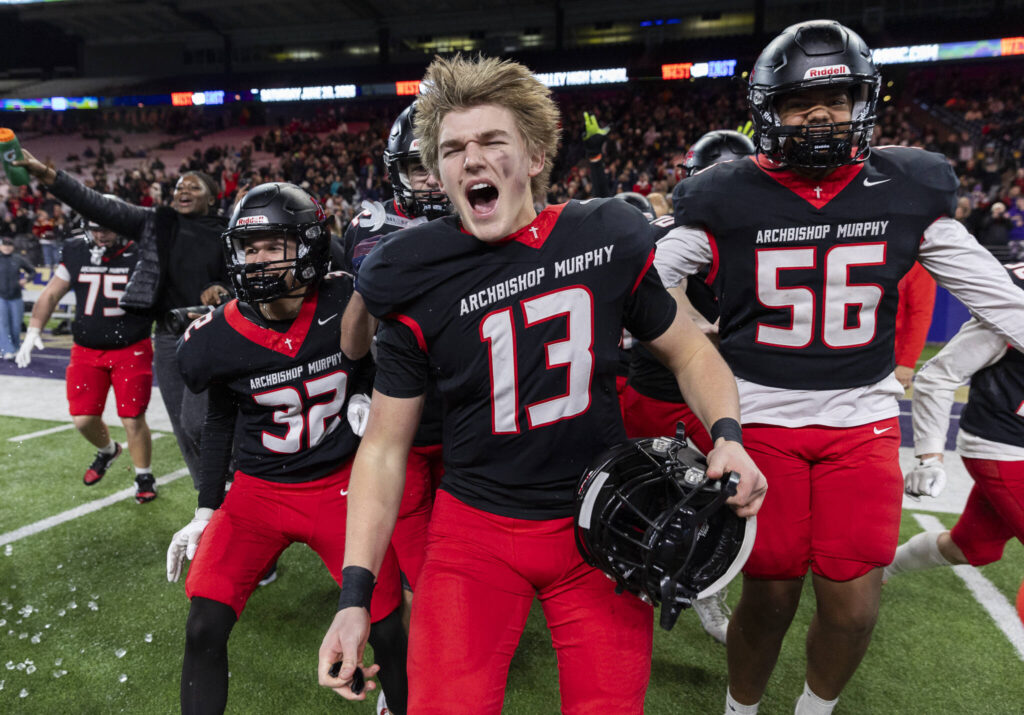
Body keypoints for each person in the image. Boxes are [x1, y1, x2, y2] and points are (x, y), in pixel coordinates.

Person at [317, 53, 767, 714]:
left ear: (533, 156)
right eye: (452, 149)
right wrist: (355, 597)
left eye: (491, 141)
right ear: (438, 173)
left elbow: (689, 352)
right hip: (475, 531)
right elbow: (384, 446)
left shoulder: (605, 234)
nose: (470, 158)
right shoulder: (409, 272)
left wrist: (728, 435)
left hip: (603, 524)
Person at [653, 19, 1024, 715]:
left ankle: (813, 709)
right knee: (768, 593)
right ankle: (742, 707)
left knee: (854, 604)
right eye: (799, 102)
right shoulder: (724, 194)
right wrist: (689, 327)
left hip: (863, 419)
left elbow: (1005, 304)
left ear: (865, 102)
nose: (821, 115)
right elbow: (642, 290)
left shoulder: (907, 186)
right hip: (757, 415)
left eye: (839, 98)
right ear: (769, 110)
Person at [168, 182, 407, 715]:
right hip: (259, 493)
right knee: (204, 620)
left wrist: (366, 395)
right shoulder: (218, 334)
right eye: (248, 248)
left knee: (388, 623)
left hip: (343, 487)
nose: (256, 260)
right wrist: (207, 506)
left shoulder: (347, 297)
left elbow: (373, 363)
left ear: (309, 244)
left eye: (272, 246)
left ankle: (400, 696)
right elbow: (220, 419)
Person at [14, 151, 229, 488]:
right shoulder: (158, 223)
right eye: (178, 187)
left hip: (212, 334)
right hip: (169, 337)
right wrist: (46, 174)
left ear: (213, 197)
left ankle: (231, 477)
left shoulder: (228, 234)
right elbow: (97, 205)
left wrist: (221, 289)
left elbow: (241, 280)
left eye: (194, 187)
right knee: (181, 429)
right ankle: (208, 501)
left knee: (197, 423)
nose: (183, 191)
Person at [622, 128, 756, 645]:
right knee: (653, 499)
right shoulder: (667, 236)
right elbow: (659, 313)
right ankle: (640, 577)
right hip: (660, 391)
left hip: (731, 391)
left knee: (727, 498)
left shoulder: (764, 230)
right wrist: (716, 327)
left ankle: (707, 582)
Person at [337, 101, 451, 636]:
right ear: (395, 170)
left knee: (470, 556)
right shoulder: (370, 226)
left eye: (437, 160)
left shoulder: (490, 217)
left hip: (476, 416)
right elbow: (351, 342)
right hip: (397, 416)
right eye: (415, 166)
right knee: (418, 567)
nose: (429, 179)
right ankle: (417, 670)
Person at [884, 262, 1024, 584]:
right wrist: (930, 456)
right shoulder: (1013, 299)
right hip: (1006, 445)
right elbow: (938, 377)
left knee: (973, 547)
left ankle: (879, 570)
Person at [16, 216, 156, 500]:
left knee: (132, 417)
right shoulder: (77, 249)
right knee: (82, 419)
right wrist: (33, 330)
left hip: (131, 346)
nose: (101, 235)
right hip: (86, 348)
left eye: (107, 227)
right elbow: (52, 293)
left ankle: (144, 476)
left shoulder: (140, 251)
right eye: (95, 229)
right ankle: (108, 450)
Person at [893, 262, 936, 390]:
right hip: (851, 350)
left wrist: (906, 362)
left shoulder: (915, 263)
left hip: (889, 357)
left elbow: (920, 314)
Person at [0, 236, 35, 360]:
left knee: (16, 325)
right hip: (1, 297)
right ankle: (7, 350)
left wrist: (26, 279)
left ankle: (15, 348)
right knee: (3, 324)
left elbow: (32, 271)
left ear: (13, 247)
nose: (7, 247)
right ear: (0, 246)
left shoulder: (18, 259)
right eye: (4, 245)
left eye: (9, 245)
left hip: (16, 296)